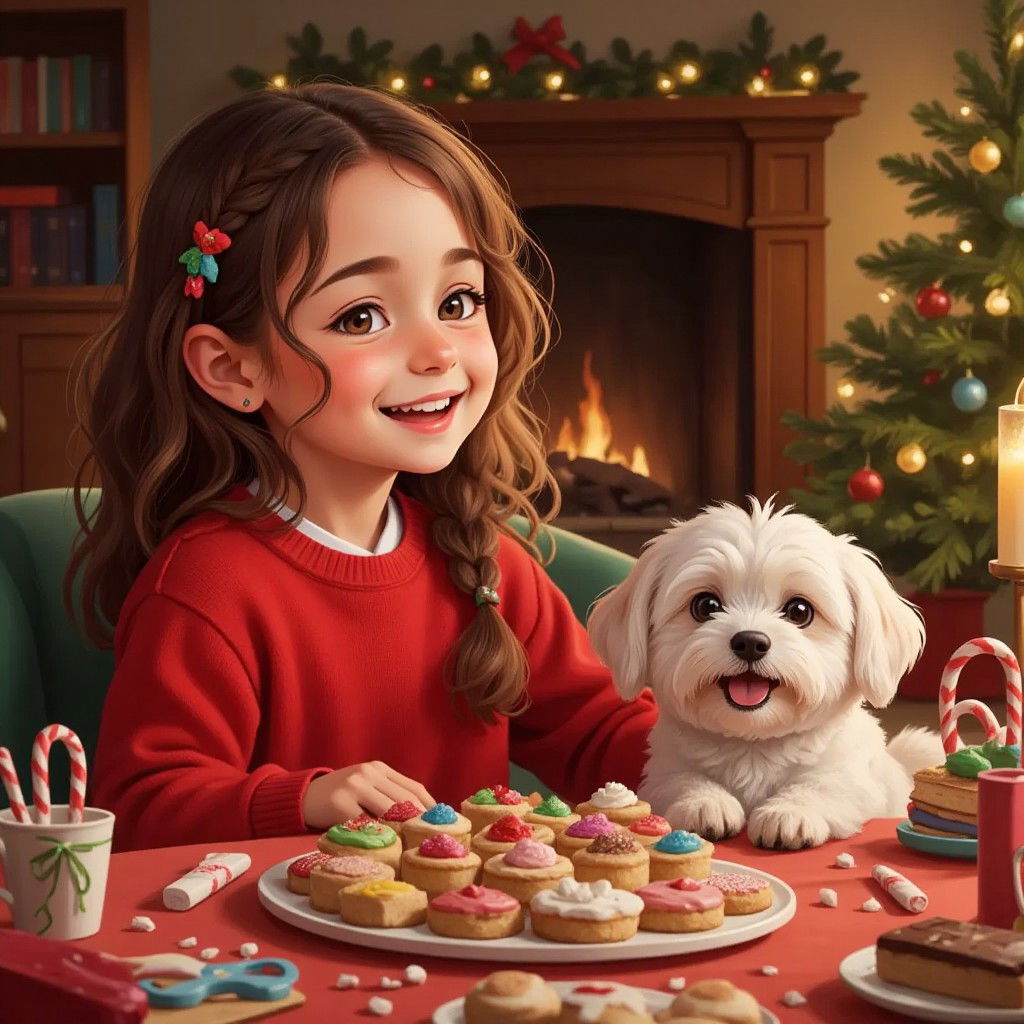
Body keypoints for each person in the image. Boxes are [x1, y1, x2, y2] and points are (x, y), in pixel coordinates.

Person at [64, 82, 657, 852]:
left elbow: (601, 734)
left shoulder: (482, 558)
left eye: (457, 301)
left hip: (464, 949)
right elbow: (141, 808)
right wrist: (303, 799)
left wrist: (740, 754)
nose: (439, 351)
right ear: (231, 368)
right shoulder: (206, 587)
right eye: (362, 316)